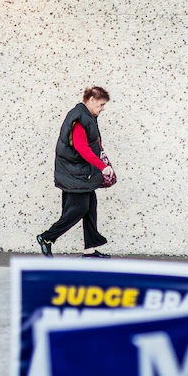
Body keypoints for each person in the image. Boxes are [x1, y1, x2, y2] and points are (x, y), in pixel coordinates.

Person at [37, 87, 115, 257]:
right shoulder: (79, 118)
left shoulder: (88, 117)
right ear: (92, 100)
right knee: (78, 209)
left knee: (90, 208)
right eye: (101, 104)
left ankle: (90, 250)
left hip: (82, 173)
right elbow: (82, 148)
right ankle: (47, 238)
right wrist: (102, 166)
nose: (102, 109)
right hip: (74, 174)